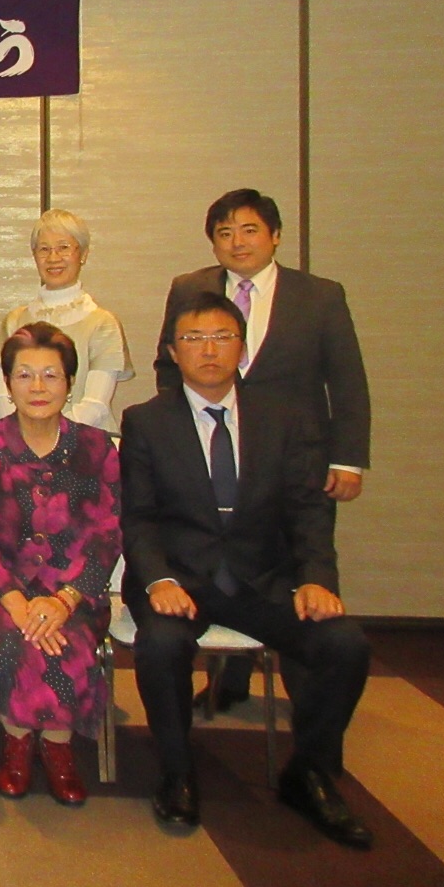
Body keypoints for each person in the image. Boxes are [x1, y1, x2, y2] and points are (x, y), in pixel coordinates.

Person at [122, 293, 372, 848]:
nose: (208, 350)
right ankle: (177, 772)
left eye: (221, 337)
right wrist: (158, 579)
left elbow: (308, 510)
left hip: (264, 579)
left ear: (242, 347)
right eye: (193, 339)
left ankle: (309, 771)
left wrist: (316, 579)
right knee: (160, 645)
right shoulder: (146, 421)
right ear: (173, 352)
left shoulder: (286, 418)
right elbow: (137, 517)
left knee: (345, 645)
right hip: (179, 580)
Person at [154, 188, 370, 712]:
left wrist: (347, 458)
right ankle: (229, 680)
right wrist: (178, 438)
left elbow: (346, 381)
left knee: (295, 576)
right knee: (222, 562)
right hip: (213, 452)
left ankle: (307, 696)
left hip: (294, 463)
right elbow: (167, 366)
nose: (238, 242)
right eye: (224, 233)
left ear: (275, 236)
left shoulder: (319, 296)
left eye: (249, 230)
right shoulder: (190, 288)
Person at [0, 321, 120, 807]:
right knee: (12, 638)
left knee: (67, 640)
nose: (38, 387)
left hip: (74, 589)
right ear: (8, 383)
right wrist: (15, 601)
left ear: (70, 382)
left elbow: (106, 535)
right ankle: (19, 741)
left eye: (51, 375)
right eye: (24, 375)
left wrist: (65, 600)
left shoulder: (97, 447)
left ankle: (58, 747)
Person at [0, 208, 133, 434]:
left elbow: (95, 406)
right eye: (44, 249)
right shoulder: (14, 321)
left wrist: (50, 439)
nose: (53, 258)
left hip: (86, 441)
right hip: (21, 442)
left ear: (83, 254)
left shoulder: (102, 324)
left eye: (64, 248)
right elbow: (4, 399)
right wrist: (28, 439)